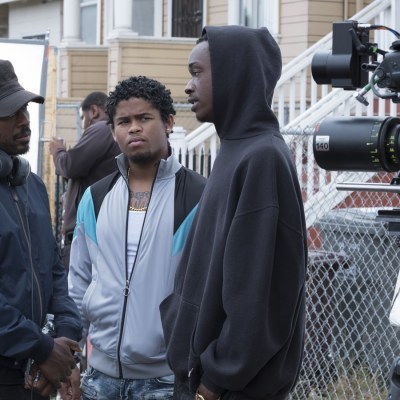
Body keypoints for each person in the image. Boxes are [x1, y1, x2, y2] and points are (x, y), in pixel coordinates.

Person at [160, 26, 308, 400]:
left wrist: (216, 381)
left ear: (233, 73)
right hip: (202, 378)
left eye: (197, 72)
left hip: (229, 390)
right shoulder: (234, 150)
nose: (188, 87)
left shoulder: (263, 158)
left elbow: (259, 292)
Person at [68, 75, 206, 399]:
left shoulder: (200, 197)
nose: (134, 128)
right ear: (113, 130)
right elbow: (78, 282)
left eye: (144, 118)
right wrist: (71, 359)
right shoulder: (95, 198)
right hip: (98, 378)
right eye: (124, 121)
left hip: (166, 380)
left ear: (169, 122)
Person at [0, 59, 82, 400]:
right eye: (10, 112)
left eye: (25, 109)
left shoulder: (32, 185)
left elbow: (54, 271)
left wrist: (62, 345)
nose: (24, 120)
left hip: (38, 371)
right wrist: (44, 348)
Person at [49, 91, 121, 270]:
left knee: (75, 292)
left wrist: (58, 151)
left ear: (94, 111)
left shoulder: (101, 128)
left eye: (82, 117)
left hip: (87, 231)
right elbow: (77, 173)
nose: (83, 124)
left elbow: (69, 166)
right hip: (97, 227)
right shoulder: (111, 134)